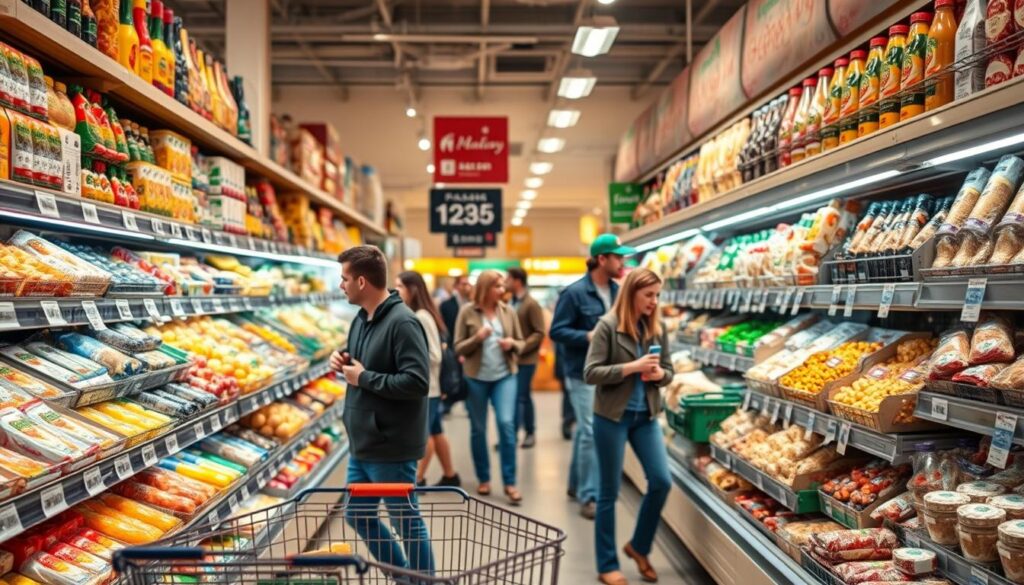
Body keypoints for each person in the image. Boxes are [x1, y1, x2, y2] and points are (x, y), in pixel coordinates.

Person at [329, 246, 434, 576]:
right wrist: (343, 360)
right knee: (357, 515)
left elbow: (417, 382)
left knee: (406, 521)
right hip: (363, 441)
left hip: (391, 443)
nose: (341, 285)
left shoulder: (404, 323)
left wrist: (364, 377)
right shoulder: (362, 319)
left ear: (362, 281)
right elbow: (363, 362)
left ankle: (422, 583)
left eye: (344, 278)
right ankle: (404, 576)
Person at [584, 268, 673, 585]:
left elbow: (670, 371)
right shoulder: (607, 327)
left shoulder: (656, 328)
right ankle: (607, 564)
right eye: (649, 295)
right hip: (612, 417)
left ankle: (638, 546)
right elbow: (591, 372)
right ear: (632, 293)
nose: (654, 301)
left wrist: (660, 376)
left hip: (644, 416)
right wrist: (631, 368)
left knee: (662, 481)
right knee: (608, 492)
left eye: (658, 295)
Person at [550, 233, 632, 520]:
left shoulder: (618, 291)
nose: (622, 261)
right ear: (601, 259)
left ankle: (575, 484)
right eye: (618, 256)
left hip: (608, 372)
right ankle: (589, 495)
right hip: (581, 372)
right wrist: (586, 335)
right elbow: (556, 331)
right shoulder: (573, 294)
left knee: (586, 432)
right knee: (590, 431)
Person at [453, 270, 525, 505]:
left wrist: (511, 343)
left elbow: (521, 342)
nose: (502, 290)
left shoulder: (508, 311)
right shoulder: (467, 312)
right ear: (485, 288)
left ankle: (510, 482)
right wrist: (478, 338)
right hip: (476, 378)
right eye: (497, 286)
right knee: (478, 428)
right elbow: (458, 348)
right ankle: (484, 477)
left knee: (506, 424)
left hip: (505, 376)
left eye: (503, 286)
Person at [396, 271, 461, 488]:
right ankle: (450, 474)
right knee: (436, 431)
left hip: (427, 388)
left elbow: (434, 355)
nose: (396, 291)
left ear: (412, 289)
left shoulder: (421, 317)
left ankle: (418, 479)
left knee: (423, 437)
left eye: (400, 286)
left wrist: (407, 363)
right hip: (430, 387)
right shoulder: (421, 314)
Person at [505, 267, 545, 449]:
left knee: (522, 395)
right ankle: (511, 435)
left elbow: (539, 332)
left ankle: (530, 432)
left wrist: (520, 346)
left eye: (508, 279)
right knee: (513, 397)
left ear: (517, 281)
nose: (506, 282)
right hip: (511, 359)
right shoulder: (510, 302)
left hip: (526, 359)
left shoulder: (531, 304)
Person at [439, 274, 472, 413]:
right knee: (452, 375)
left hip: (470, 348)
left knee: (469, 378)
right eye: (463, 284)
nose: (466, 287)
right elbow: (444, 328)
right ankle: (448, 403)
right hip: (452, 348)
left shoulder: (473, 304)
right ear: (456, 286)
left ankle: (469, 404)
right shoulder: (446, 305)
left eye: (468, 284)